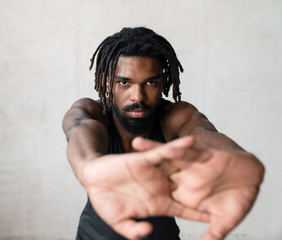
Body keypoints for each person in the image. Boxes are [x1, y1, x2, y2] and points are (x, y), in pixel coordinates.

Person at [62, 27, 264, 240]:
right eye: (124, 82)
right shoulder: (93, 113)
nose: (137, 96)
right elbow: (79, 130)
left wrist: (236, 160)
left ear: (164, 82)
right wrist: (89, 168)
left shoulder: (176, 117)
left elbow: (203, 133)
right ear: (106, 82)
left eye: (150, 82)